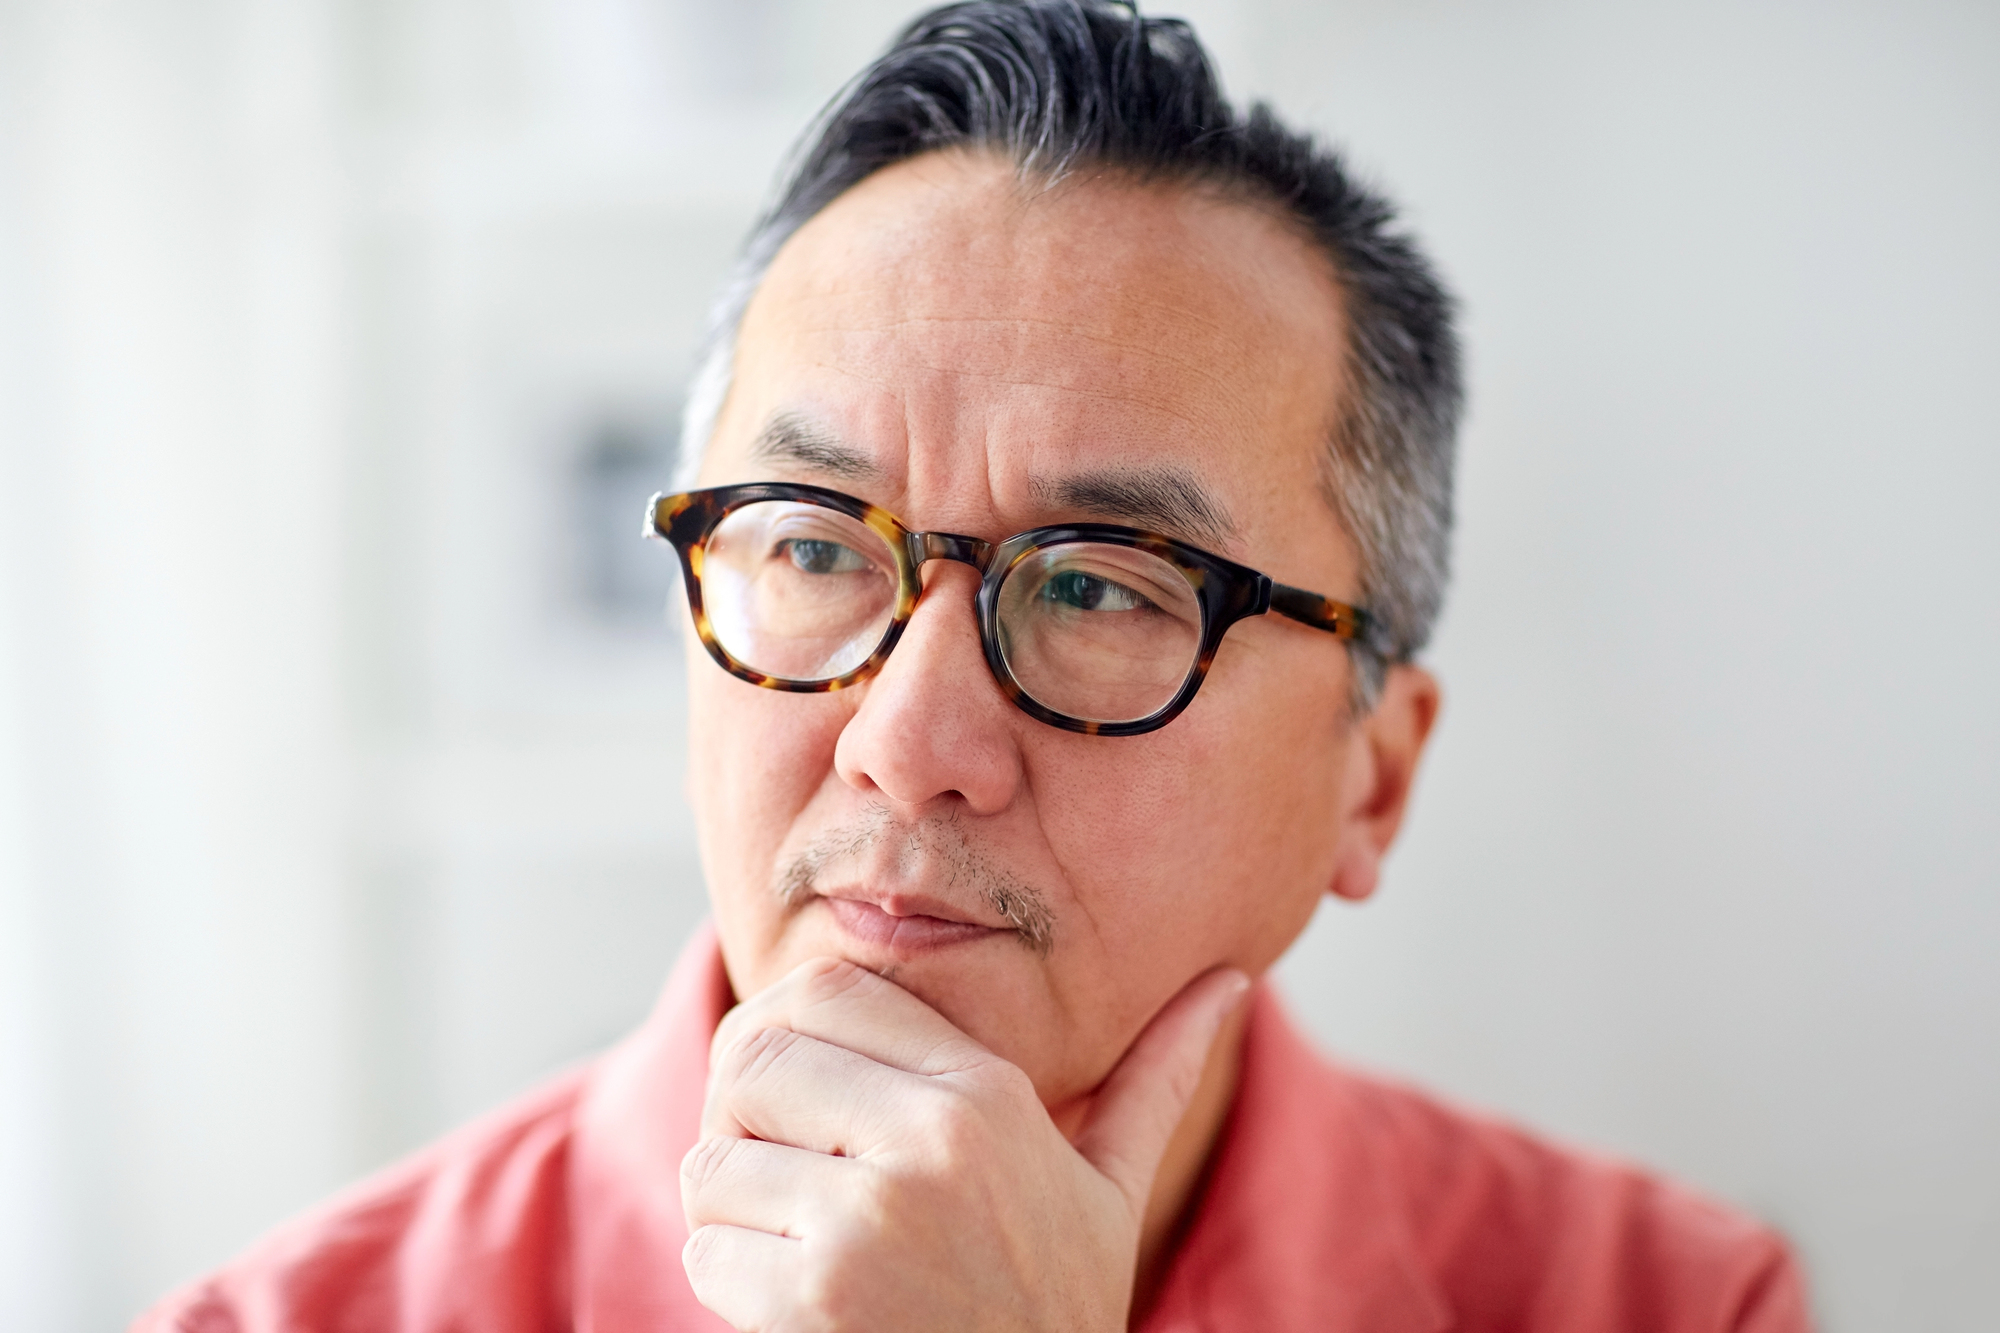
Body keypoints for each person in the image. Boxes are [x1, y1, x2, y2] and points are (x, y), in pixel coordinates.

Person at [136, 3, 1812, 1330]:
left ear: (1371, 773)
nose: (908, 740)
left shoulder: (1659, 1302)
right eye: (807, 545)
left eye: (1099, 586)